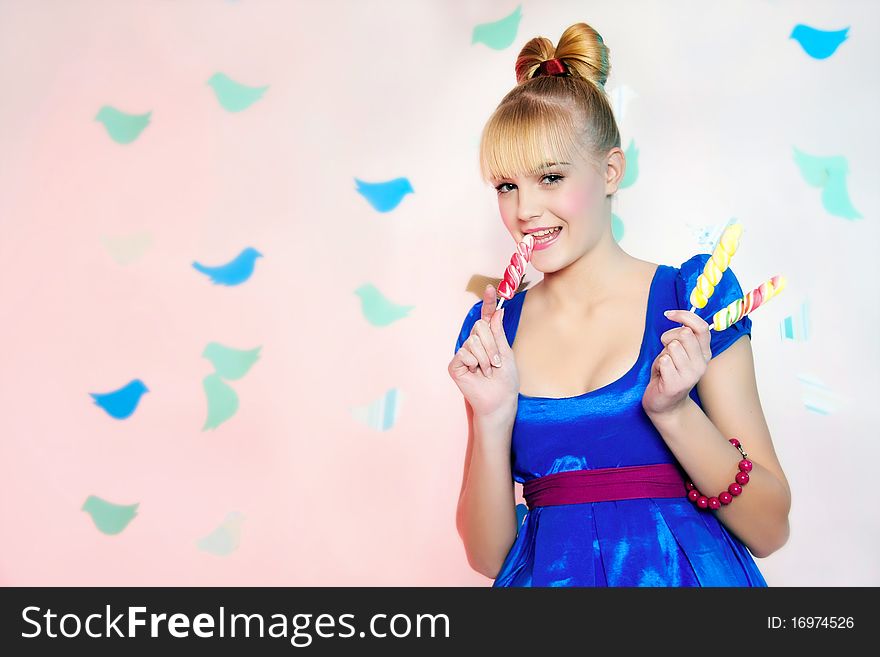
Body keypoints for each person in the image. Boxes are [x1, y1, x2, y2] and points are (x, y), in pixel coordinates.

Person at [448, 22, 791, 586]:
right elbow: (488, 558)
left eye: (550, 177)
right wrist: (491, 419)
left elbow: (770, 528)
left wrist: (675, 413)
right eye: (507, 185)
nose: (525, 209)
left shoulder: (693, 300)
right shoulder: (491, 330)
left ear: (610, 171)